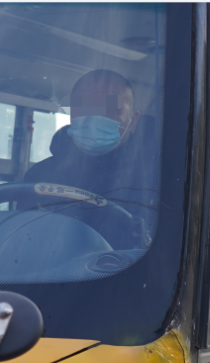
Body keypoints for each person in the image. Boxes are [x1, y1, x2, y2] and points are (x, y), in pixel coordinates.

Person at [24, 69, 157, 250]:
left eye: (110, 109)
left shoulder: (157, 180)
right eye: (83, 108)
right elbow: (23, 243)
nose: (94, 117)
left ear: (133, 120)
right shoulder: (39, 177)